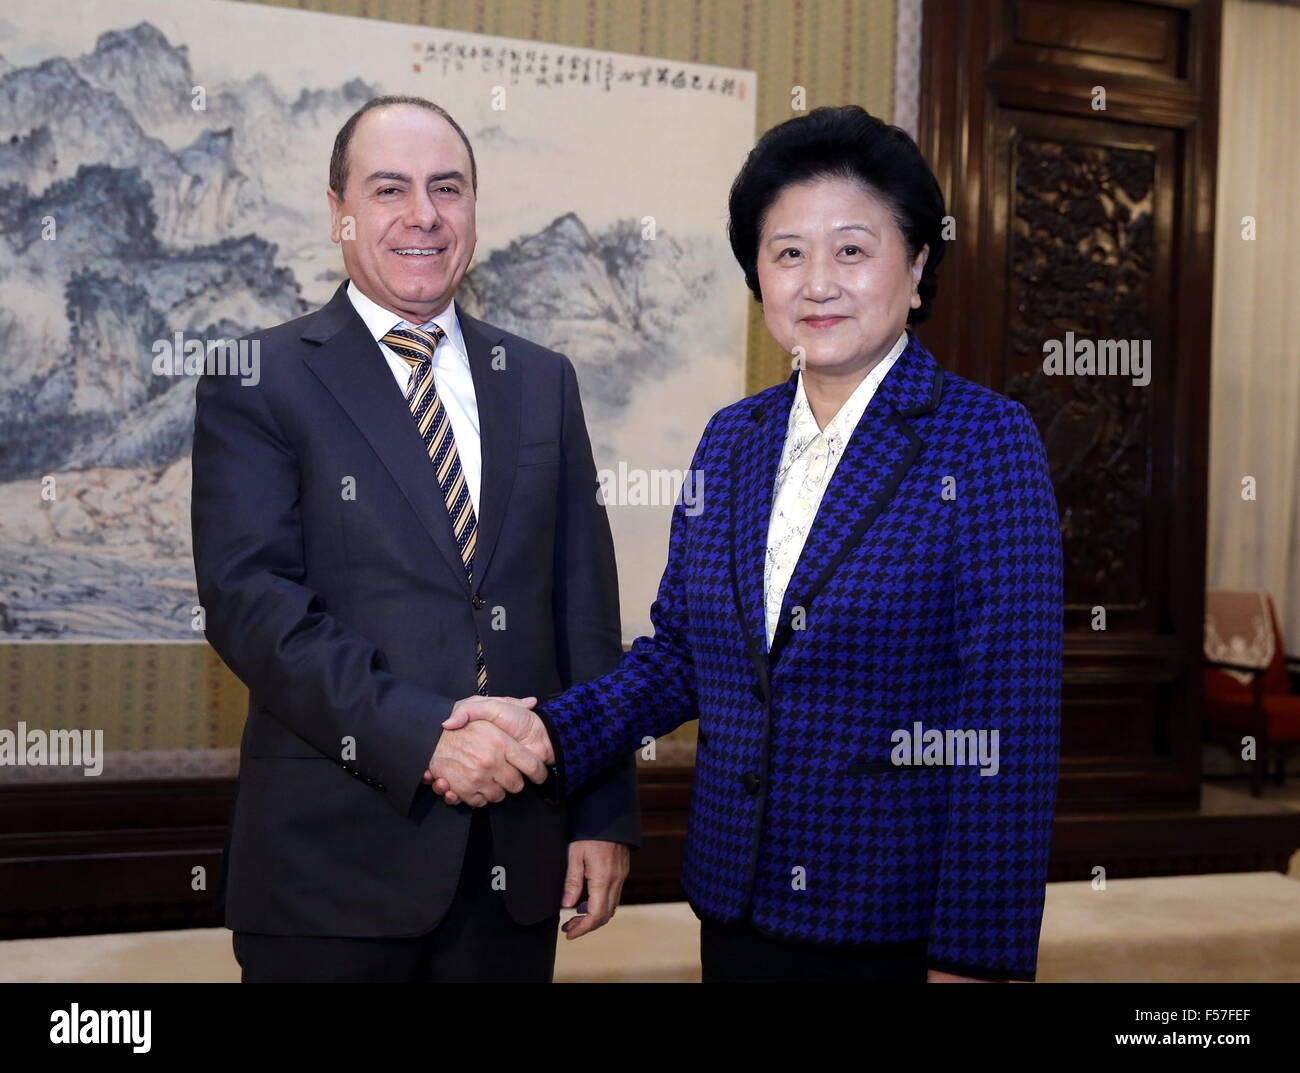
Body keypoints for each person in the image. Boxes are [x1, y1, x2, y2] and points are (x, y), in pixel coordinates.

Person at [437, 105, 1064, 983]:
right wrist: (545, 733)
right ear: (758, 277)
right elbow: (682, 658)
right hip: (736, 905)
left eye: (852, 249)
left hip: (895, 923)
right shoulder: (733, 441)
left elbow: (1008, 721)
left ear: (917, 267)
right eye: (787, 253)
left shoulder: (985, 440)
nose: (818, 283)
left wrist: (977, 959)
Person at [190, 95, 639, 983]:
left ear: (474, 207)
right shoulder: (261, 378)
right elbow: (253, 606)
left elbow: (583, 610)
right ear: (339, 212)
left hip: (515, 867)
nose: (423, 215)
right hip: (330, 878)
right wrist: (428, 735)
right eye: (389, 188)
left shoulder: (542, 382)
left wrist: (601, 810)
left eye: (448, 188)